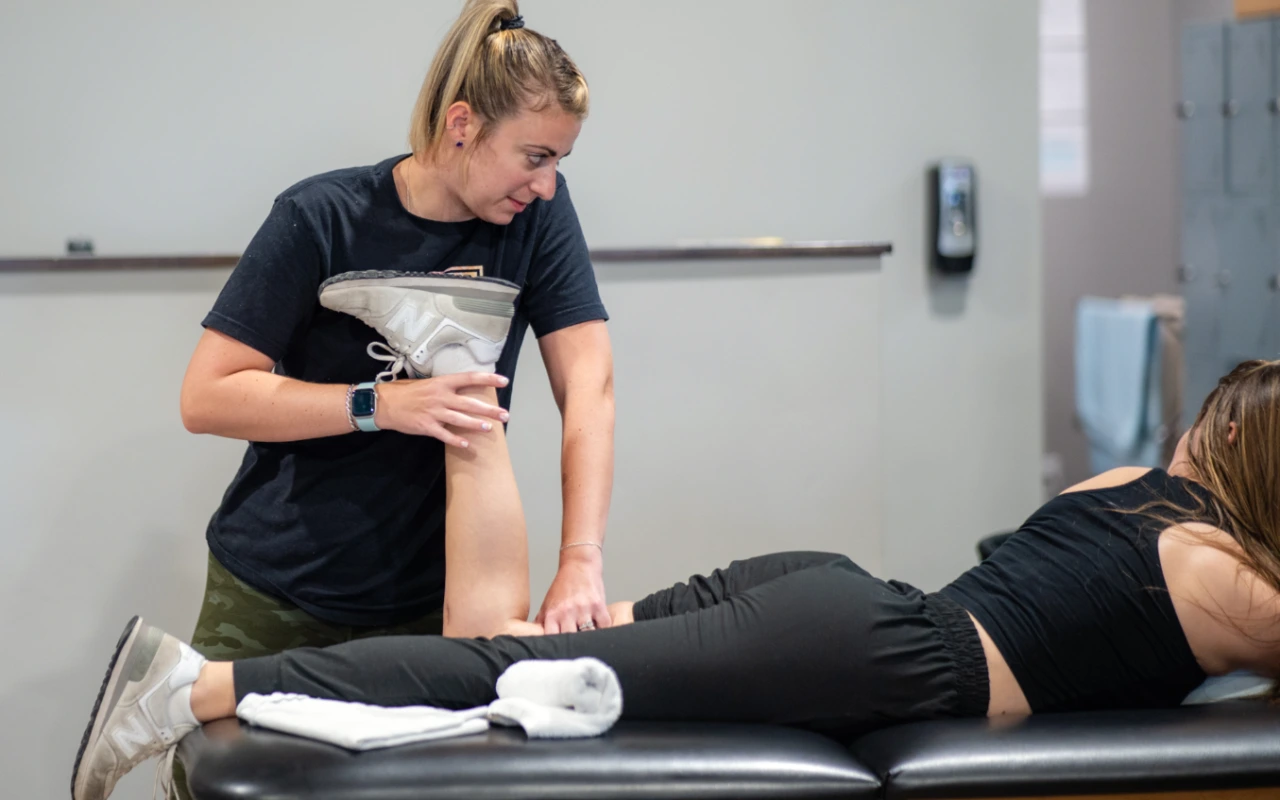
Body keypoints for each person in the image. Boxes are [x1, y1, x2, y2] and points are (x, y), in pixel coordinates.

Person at [73, 355, 1280, 800]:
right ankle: (192, 685)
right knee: (505, 665)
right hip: (883, 650)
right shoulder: (1236, 581)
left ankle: (205, 682)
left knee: (513, 653)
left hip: (850, 595)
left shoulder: (1128, 487)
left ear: (1225, 449)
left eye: (1213, 425)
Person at [179, 0, 615, 678]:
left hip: (429, 599)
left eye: (558, 160)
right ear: (463, 124)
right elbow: (207, 397)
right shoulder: (321, 217)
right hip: (279, 590)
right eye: (534, 157)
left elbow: (590, 386)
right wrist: (379, 406)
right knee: (221, 774)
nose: (548, 184)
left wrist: (581, 559)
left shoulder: (536, 224)